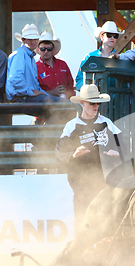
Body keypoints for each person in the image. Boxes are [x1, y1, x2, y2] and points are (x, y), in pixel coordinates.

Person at [56, 84, 121, 234]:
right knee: (82, 221)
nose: (96, 106)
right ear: (82, 103)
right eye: (92, 102)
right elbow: (59, 154)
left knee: (106, 222)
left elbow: (123, 147)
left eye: (97, 102)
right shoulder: (71, 127)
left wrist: (116, 153)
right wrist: (73, 154)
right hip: (81, 184)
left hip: (105, 182)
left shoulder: (107, 123)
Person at [6, 24, 64, 111]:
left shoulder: (29, 57)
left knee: (60, 108)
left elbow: (34, 86)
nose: (33, 41)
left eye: (35, 38)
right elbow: (14, 79)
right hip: (22, 98)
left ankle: (48, 124)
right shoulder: (20, 55)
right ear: (23, 40)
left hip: (24, 97)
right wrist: (31, 92)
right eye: (30, 39)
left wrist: (42, 93)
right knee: (64, 105)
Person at [75, 21, 123, 91]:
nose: (112, 38)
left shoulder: (120, 59)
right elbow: (79, 82)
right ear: (102, 37)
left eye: (115, 36)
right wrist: (92, 84)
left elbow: (123, 84)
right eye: (109, 35)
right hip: (93, 100)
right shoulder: (90, 57)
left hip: (113, 101)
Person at [36, 32, 75, 100]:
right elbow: (34, 91)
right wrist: (51, 93)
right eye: (43, 49)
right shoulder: (35, 67)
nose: (46, 51)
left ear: (53, 49)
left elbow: (70, 84)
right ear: (38, 50)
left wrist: (68, 94)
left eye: (49, 49)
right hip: (45, 105)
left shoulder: (63, 64)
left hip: (65, 104)